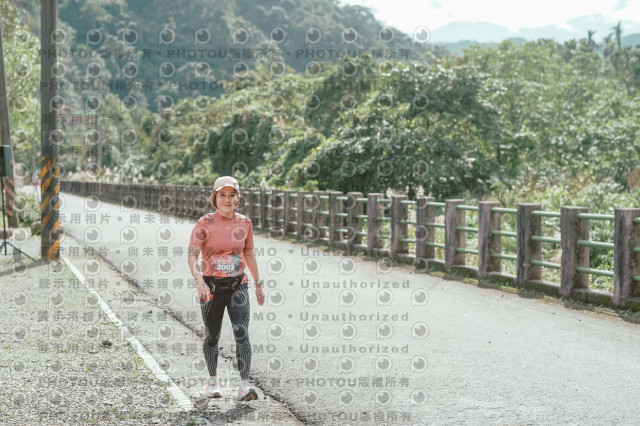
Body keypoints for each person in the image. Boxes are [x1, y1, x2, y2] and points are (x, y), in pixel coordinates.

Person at [188, 176, 265, 402]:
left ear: (238, 198)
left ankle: (244, 386)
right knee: (212, 336)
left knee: (242, 333)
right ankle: (212, 381)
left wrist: (258, 284)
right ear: (214, 197)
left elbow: (248, 253)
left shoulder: (245, 223)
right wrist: (199, 281)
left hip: (237, 285)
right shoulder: (204, 223)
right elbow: (192, 255)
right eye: (222, 195)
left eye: (232, 195)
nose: (227, 199)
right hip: (211, 287)